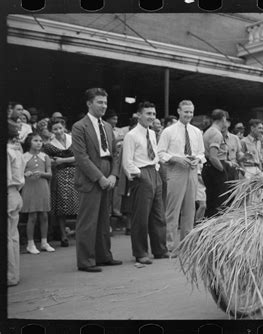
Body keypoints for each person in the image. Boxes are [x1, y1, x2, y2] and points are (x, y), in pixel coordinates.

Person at [71, 88, 122, 272]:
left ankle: (103, 256)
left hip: (108, 172)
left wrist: (114, 175)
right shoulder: (79, 126)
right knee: (88, 220)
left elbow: (115, 153)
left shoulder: (107, 126)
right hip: (90, 177)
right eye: (100, 102)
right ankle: (86, 261)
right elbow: (81, 157)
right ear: (89, 103)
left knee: (103, 219)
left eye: (105, 102)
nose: (104, 106)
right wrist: (100, 177)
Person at [122, 102, 170, 264]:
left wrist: (155, 169)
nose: (151, 117)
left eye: (154, 114)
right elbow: (127, 162)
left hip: (154, 172)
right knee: (141, 217)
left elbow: (154, 154)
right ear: (139, 115)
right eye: (148, 113)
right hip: (141, 174)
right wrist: (140, 175)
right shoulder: (132, 135)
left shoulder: (152, 133)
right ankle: (141, 252)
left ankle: (160, 250)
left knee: (158, 215)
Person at [157, 100, 205, 252]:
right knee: (173, 209)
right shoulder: (168, 131)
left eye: (191, 112)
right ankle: (169, 244)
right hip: (176, 171)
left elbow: (202, 154)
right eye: (186, 112)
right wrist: (176, 158)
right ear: (179, 111)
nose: (189, 115)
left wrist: (197, 159)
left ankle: (187, 243)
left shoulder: (197, 132)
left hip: (191, 171)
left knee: (190, 209)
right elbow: (160, 153)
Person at [42, 118, 79, 246]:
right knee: (61, 206)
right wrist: (56, 162)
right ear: (51, 131)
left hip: (76, 173)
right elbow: (48, 161)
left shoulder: (73, 139)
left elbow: (80, 156)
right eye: (55, 129)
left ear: (64, 127)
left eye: (60, 128)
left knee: (78, 204)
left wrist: (63, 160)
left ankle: (80, 234)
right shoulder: (48, 145)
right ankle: (63, 236)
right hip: (60, 176)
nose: (58, 131)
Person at [21, 133, 54, 254]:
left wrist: (41, 173)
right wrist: (26, 174)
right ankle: (30, 243)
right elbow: (19, 173)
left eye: (40, 141)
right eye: (36, 140)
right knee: (32, 216)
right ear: (30, 142)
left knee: (44, 215)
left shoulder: (45, 157)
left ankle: (44, 242)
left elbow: (50, 174)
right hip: (30, 187)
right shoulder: (24, 157)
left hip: (42, 187)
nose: (39, 143)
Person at [202, 109, 233, 217]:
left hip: (210, 167)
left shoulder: (209, 131)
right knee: (220, 201)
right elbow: (213, 157)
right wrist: (223, 170)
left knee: (212, 201)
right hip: (216, 168)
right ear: (223, 118)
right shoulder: (216, 133)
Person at [7, 114, 25, 286]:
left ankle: (10, 275)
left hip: (9, 192)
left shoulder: (8, 151)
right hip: (15, 192)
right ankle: (13, 275)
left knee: (9, 236)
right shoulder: (16, 150)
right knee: (12, 235)